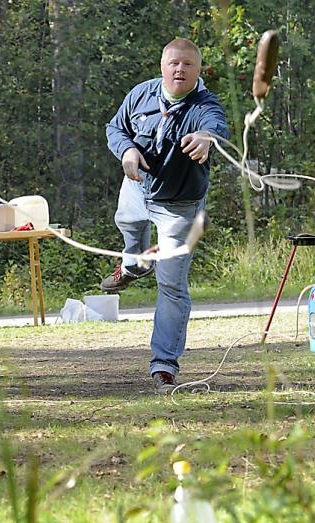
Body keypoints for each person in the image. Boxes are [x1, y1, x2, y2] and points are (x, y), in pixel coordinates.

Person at [102, 38, 230, 395]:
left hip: (179, 207)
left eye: (188, 64)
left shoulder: (205, 105)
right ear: (162, 66)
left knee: (172, 286)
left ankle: (164, 367)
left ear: (198, 70)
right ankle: (135, 264)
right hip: (136, 189)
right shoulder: (141, 94)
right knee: (126, 223)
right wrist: (126, 150)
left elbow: (216, 127)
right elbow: (115, 128)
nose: (180, 70)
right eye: (174, 63)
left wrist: (207, 139)